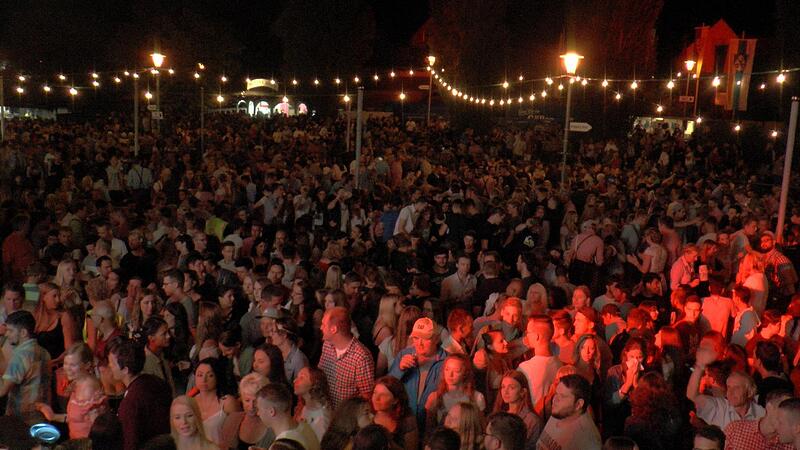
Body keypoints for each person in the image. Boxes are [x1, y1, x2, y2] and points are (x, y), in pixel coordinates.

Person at [108, 336, 172, 450]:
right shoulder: (156, 381)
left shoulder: (130, 403)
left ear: (125, 369)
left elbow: (130, 443)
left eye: (112, 363)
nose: (110, 366)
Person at [687, 345, 765, 430]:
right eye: (729, 387)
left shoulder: (761, 414)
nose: (730, 392)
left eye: (736, 388)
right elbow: (692, 395)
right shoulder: (720, 407)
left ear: (750, 392)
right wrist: (700, 366)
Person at [389, 317, 447, 428]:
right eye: (416, 338)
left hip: (433, 426)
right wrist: (399, 369)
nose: (419, 343)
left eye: (425, 338)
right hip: (405, 424)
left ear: (436, 339)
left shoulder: (446, 361)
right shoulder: (403, 355)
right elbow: (388, 387)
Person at [317, 307, 374, 408]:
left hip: (344, 417)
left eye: (324, 325)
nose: (321, 328)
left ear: (333, 329)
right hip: (325, 409)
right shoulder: (327, 345)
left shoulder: (361, 357)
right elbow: (320, 373)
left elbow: (367, 395)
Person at [0, 310, 50, 421]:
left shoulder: (20, 357)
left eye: (10, 331)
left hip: (20, 419)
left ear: (23, 333)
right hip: (40, 416)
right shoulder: (44, 352)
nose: (6, 334)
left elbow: (2, 390)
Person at [536, 374, 602, 450]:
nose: (555, 400)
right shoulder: (560, 413)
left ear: (578, 404)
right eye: (556, 394)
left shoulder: (587, 441)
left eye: (562, 396)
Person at [256, 382, 320, 450]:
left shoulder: (282, 445)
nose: (258, 413)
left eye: (259, 409)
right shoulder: (305, 427)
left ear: (271, 412)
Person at [723, 389, 793, 450]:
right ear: (769, 407)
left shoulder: (790, 444)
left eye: (791, 412)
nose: (787, 415)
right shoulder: (735, 429)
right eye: (784, 409)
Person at [219, 372, 274, 450]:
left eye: (255, 401)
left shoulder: (273, 427)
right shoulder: (232, 418)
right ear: (241, 398)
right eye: (247, 400)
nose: (251, 406)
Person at [493, 370, 543, 446]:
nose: (505, 392)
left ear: (522, 391)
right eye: (503, 387)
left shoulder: (532, 420)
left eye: (511, 388)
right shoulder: (500, 414)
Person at [373, 375, 419, 450]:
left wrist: (390, 442)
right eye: (375, 393)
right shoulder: (367, 414)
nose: (376, 398)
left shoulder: (406, 419)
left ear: (395, 400)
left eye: (383, 395)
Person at [293, 367, 332, 442]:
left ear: (314, 384)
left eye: (301, 378)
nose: (295, 381)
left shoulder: (321, 419)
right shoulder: (304, 406)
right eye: (297, 377)